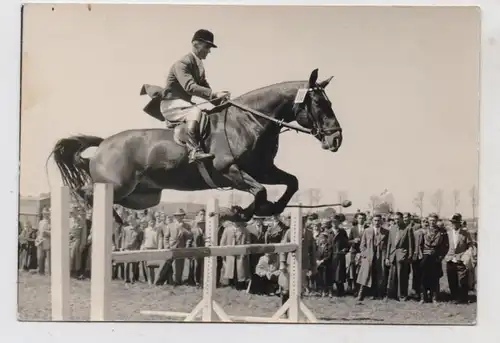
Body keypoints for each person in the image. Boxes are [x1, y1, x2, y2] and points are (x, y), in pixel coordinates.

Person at [160, 29, 231, 163]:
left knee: (205, 115)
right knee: (195, 111)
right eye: (207, 47)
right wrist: (215, 94)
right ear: (196, 44)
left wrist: (221, 102)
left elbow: (205, 90)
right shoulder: (182, 64)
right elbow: (190, 87)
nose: (209, 51)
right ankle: (194, 151)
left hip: (182, 105)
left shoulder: (199, 66)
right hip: (171, 104)